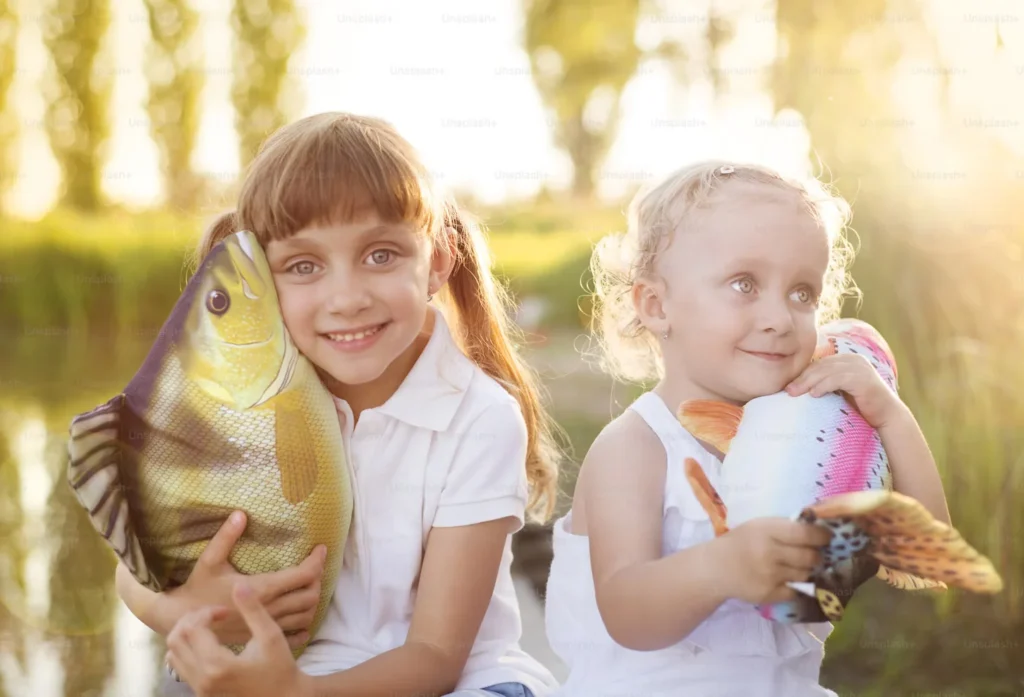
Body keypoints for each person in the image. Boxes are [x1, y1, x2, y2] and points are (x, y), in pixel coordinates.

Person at [115, 111, 563, 697]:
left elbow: (435, 657)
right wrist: (181, 609)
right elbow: (132, 566)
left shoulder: (478, 417)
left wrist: (290, 694)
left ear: (437, 261)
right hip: (276, 671)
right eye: (304, 266)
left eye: (381, 255)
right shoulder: (238, 402)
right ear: (259, 276)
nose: (347, 298)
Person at [543, 161, 951, 697]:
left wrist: (889, 415)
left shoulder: (811, 446)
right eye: (744, 284)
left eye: (803, 292)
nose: (780, 317)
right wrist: (722, 566)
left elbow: (927, 554)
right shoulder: (637, 447)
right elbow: (627, 612)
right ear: (657, 305)